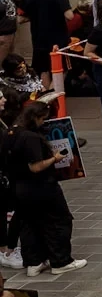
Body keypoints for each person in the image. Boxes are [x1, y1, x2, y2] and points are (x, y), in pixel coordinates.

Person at [5, 100, 84, 276]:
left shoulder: (11, 132)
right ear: (34, 117)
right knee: (58, 222)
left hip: (20, 188)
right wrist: (55, 158)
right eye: (42, 119)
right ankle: (61, 261)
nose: (43, 122)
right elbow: (36, 166)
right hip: (41, 187)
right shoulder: (30, 138)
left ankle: (34, 262)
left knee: (30, 224)